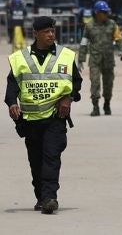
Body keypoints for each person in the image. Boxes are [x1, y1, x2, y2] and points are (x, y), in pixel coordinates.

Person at [6, 16, 82, 214]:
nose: (51, 34)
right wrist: (12, 102)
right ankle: (41, 196)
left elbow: (76, 82)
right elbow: (12, 85)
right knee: (36, 161)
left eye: (52, 31)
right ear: (36, 34)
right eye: (46, 31)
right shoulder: (20, 58)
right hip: (30, 120)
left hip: (55, 118)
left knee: (51, 157)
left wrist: (68, 98)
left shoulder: (65, 56)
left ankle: (50, 198)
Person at [79, 0, 122, 116]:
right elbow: (84, 43)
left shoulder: (112, 24)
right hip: (95, 61)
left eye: (106, 12)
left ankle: (107, 104)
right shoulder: (89, 26)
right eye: (104, 12)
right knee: (95, 83)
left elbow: (118, 39)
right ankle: (95, 106)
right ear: (97, 13)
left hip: (108, 60)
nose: (106, 14)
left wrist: (121, 51)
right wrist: (81, 59)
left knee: (108, 84)